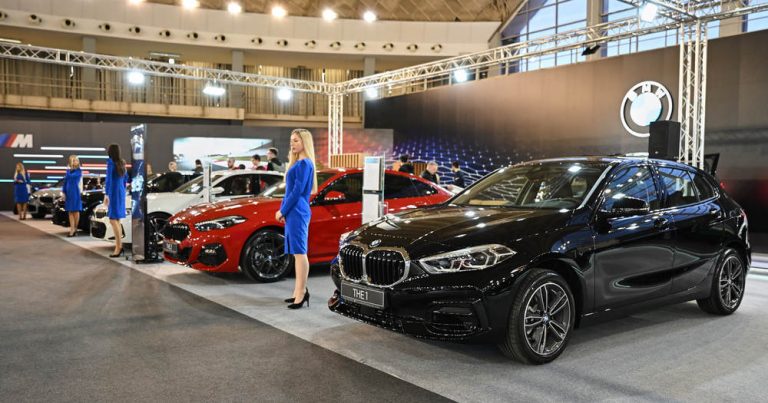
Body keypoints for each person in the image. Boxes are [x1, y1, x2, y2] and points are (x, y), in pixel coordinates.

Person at [276, 129, 317, 310]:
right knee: (296, 252)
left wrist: (282, 210)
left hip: (297, 210)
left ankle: (301, 293)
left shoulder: (304, 163)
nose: (292, 144)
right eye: (291, 140)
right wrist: (284, 210)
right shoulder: (299, 163)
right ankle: (297, 292)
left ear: (304, 143)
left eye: (296, 141)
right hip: (294, 210)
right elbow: (290, 192)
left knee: (300, 253)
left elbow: (296, 192)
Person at [105, 143, 128, 258]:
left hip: (113, 192)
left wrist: (106, 194)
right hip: (121, 191)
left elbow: (108, 179)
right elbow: (125, 179)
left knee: (113, 219)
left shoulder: (110, 162)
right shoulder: (122, 163)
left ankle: (118, 247)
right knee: (116, 220)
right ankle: (119, 246)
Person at [62, 155, 83, 237]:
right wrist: (63, 192)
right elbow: (65, 182)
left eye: (76, 160)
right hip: (68, 192)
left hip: (75, 192)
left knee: (76, 211)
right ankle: (72, 229)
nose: (75, 162)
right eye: (73, 160)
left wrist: (67, 171)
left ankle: (75, 228)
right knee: (70, 211)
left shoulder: (78, 171)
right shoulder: (68, 171)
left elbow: (73, 177)